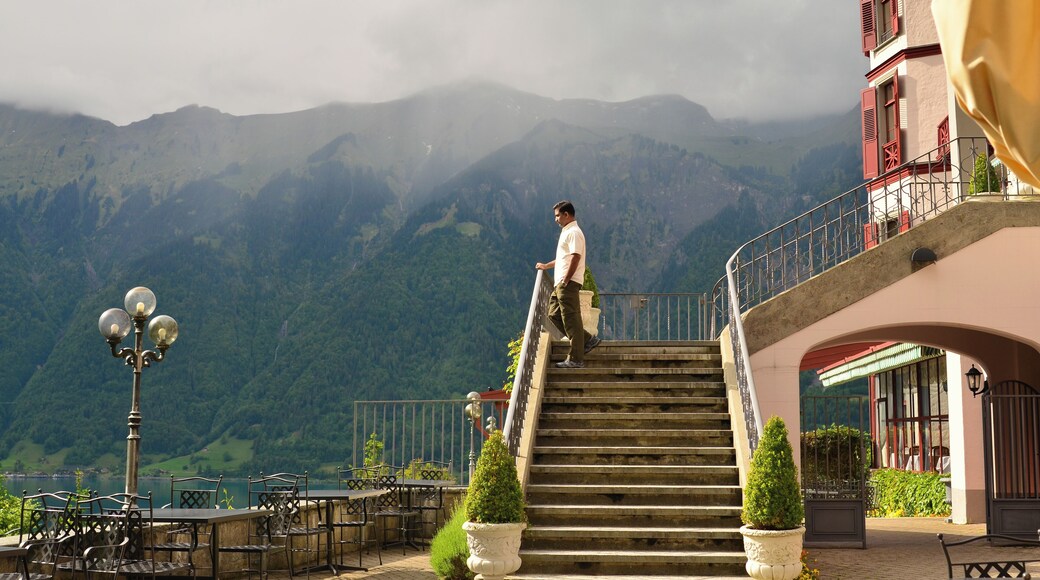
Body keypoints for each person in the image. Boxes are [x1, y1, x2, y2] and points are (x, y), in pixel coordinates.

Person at [535, 200, 601, 368]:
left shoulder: (574, 232)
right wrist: (546, 266)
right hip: (561, 284)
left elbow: (575, 257)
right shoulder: (567, 232)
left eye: (557, 215)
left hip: (568, 283)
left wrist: (566, 279)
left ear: (566, 214)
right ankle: (586, 339)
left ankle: (575, 359)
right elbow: (564, 258)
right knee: (553, 314)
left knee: (571, 319)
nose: (556, 219)